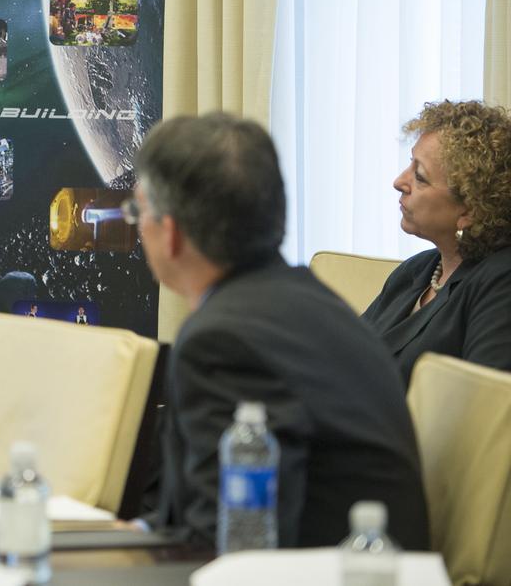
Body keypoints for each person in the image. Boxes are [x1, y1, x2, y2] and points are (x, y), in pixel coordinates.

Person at [129, 112, 429, 550]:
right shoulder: (302, 299)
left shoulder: (224, 341)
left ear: (170, 234)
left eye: (138, 210)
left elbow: (226, 548)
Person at [362, 100, 511, 382]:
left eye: (420, 177)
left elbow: (482, 407)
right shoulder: (415, 270)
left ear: (469, 210)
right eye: (410, 164)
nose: (399, 182)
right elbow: (342, 355)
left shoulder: (501, 282)